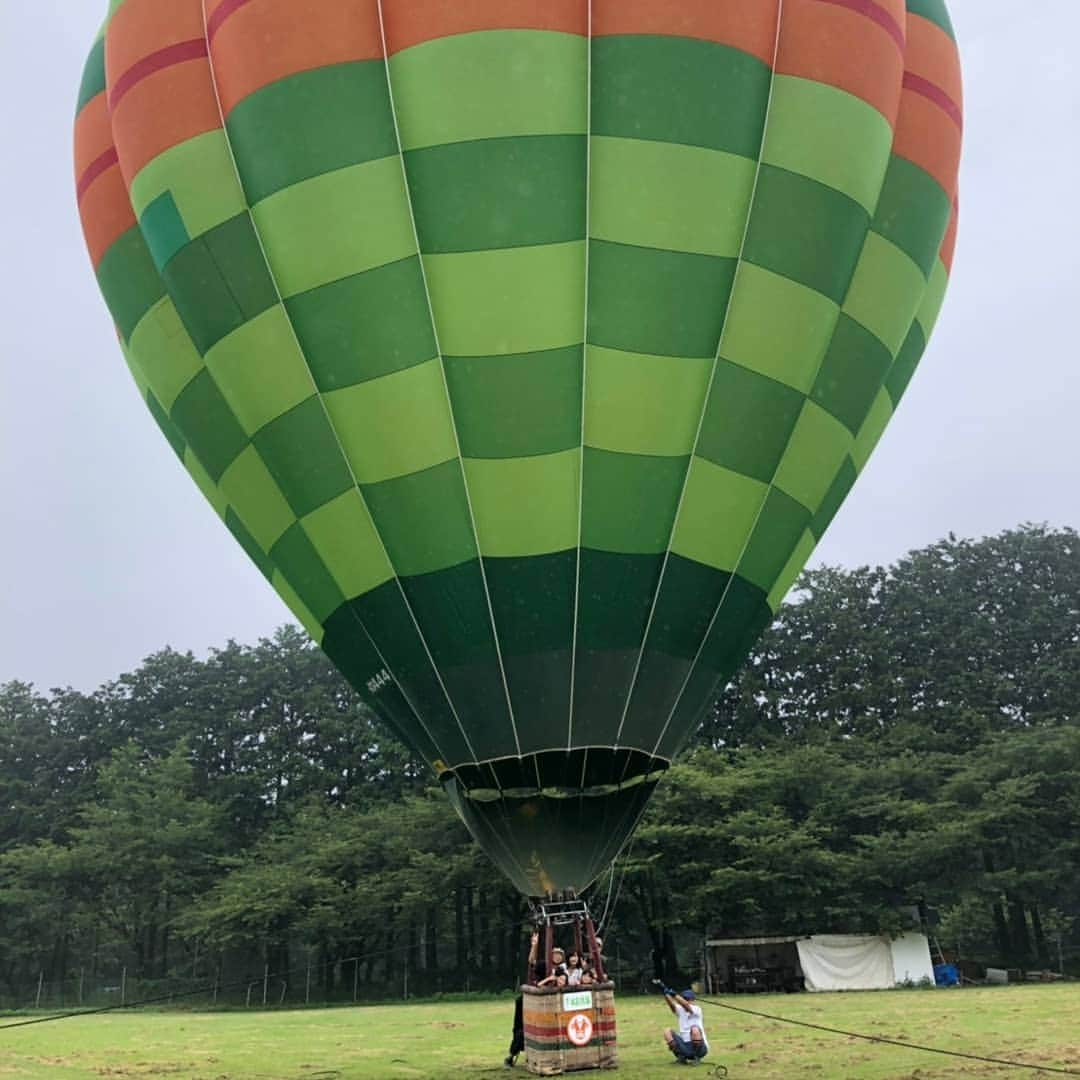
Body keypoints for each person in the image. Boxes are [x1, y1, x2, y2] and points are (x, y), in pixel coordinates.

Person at [661, 987, 709, 1065]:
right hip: (685, 1046)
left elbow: (686, 1005)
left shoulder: (697, 1009)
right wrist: (666, 994)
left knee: (695, 1029)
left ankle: (697, 1058)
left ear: (693, 1000)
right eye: (684, 998)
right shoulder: (680, 1010)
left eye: (687, 998)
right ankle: (681, 1058)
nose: (686, 1000)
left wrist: (674, 995)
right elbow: (672, 1005)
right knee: (667, 1031)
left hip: (701, 1048)